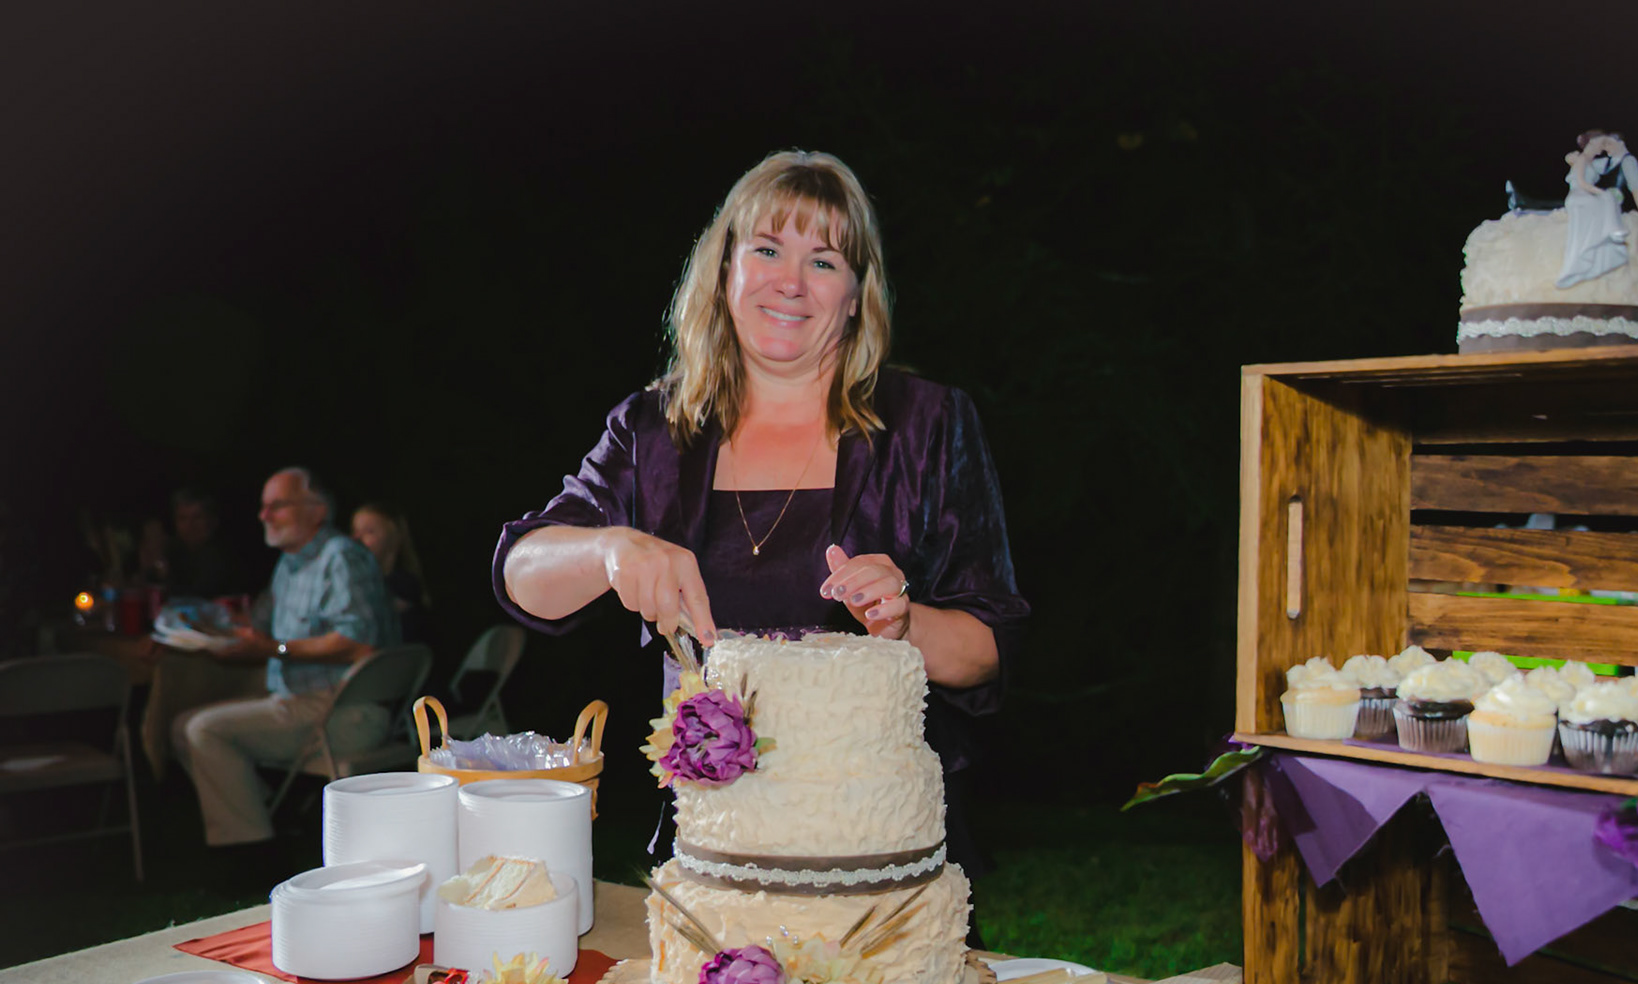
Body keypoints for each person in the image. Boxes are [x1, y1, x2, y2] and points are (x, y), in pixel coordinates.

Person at [493, 150, 1028, 873]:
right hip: (713, 849)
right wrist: (608, 548)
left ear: (856, 295)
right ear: (725, 270)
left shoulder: (927, 423)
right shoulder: (652, 430)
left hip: (885, 857)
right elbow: (523, 572)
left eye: (824, 261)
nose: (791, 282)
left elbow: (990, 648)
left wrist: (904, 625)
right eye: (768, 249)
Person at [172, 467, 398, 849]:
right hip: (300, 702)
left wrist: (274, 649)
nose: (264, 515)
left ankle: (254, 851)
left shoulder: (340, 556)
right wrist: (186, 630)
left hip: (343, 709)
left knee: (203, 730)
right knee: (182, 727)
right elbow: (253, 627)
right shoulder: (289, 563)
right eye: (264, 507)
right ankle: (272, 816)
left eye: (277, 506)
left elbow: (358, 644)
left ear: (317, 510)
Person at [1557, 130, 1638, 289]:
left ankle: (1612, 235)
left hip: (1612, 203)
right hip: (1592, 199)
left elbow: (1636, 186)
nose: (1605, 148)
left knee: (1607, 201)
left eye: (1608, 143)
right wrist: (1572, 159)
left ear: (1620, 143)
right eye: (1603, 144)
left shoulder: (1628, 161)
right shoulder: (1604, 162)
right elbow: (1582, 166)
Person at [352, 501, 431, 643]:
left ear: (392, 538)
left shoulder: (403, 585)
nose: (357, 539)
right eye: (354, 531)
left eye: (369, 532)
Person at [162, 486, 247, 600]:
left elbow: (196, 597)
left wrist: (165, 577)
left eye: (197, 518)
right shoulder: (173, 549)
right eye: (183, 518)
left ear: (213, 521)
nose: (190, 525)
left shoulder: (220, 556)